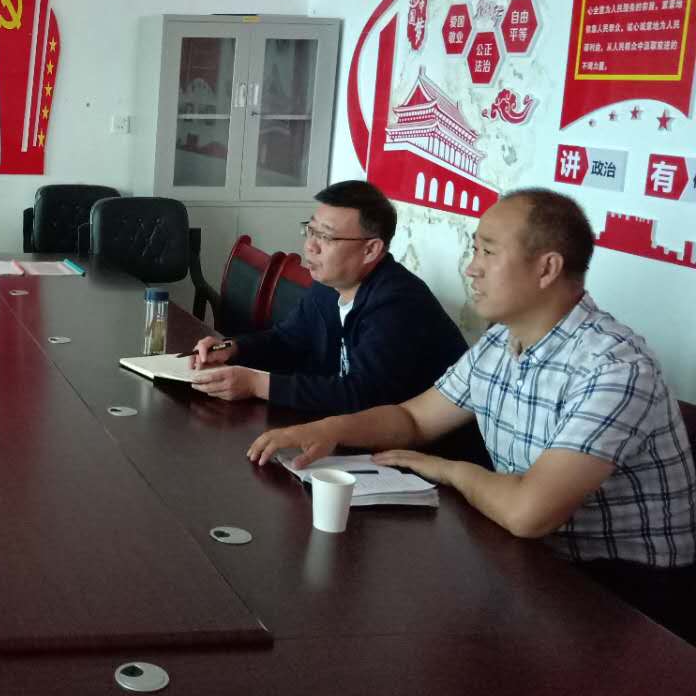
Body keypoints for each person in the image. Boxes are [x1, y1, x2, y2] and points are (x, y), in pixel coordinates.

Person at [248, 189, 696, 641]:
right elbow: (414, 419)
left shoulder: (613, 368)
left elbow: (528, 512)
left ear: (547, 268)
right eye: (474, 249)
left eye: (488, 252)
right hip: (531, 560)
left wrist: (449, 470)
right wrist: (328, 428)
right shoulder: (502, 341)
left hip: (625, 598)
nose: (471, 268)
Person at [189, 180, 468, 411]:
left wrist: (255, 384)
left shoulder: (398, 305)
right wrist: (232, 348)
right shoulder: (330, 284)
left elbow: (363, 396)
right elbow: (287, 340)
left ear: (371, 250)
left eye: (326, 237)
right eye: (310, 230)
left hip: (422, 453)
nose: (310, 246)